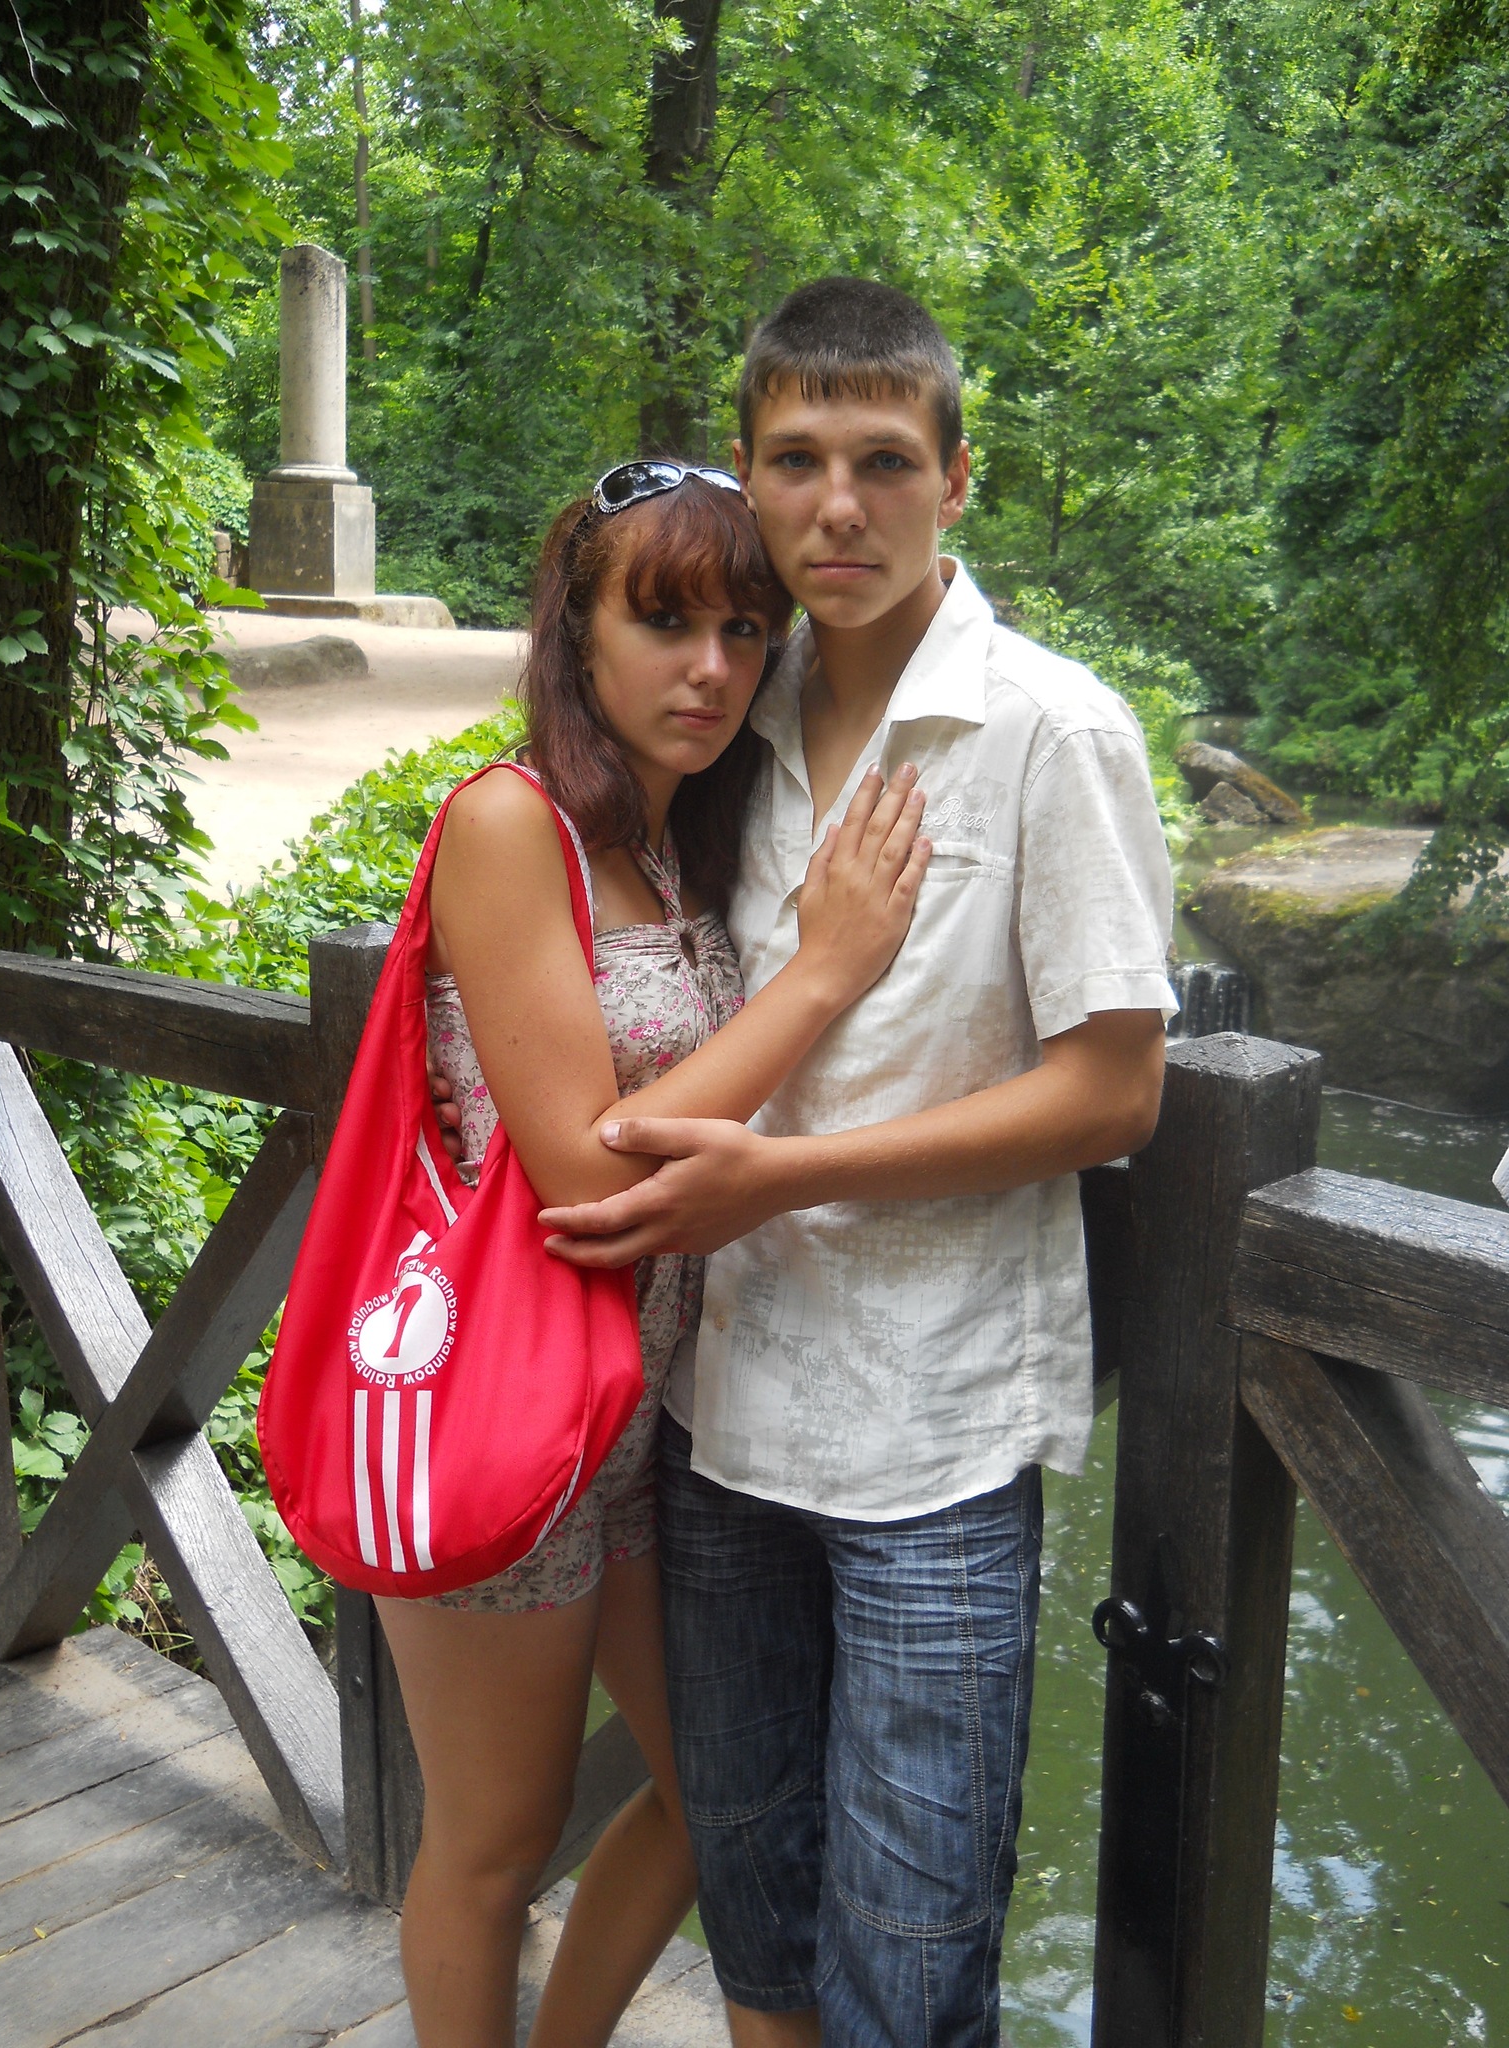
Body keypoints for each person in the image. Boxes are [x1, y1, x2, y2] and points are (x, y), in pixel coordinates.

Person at [535, 280, 1178, 2047]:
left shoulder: (1053, 733)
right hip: (722, 1414)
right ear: (746, 473)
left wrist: (782, 1178)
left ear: (956, 479)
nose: (840, 506)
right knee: (760, 1927)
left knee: (909, 1967)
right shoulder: (732, 709)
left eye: (885, 462)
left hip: (934, 1439)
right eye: (798, 461)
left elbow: (1115, 1091)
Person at [379, 458, 934, 2048]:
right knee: (495, 1844)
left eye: (745, 631)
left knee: (717, 1802)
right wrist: (823, 972)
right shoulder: (510, 822)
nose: (710, 667)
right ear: (579, 631)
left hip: (639, 1427)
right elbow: (583, 1172)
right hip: (505, 1414)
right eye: (665, 620)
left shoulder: (682, 841)